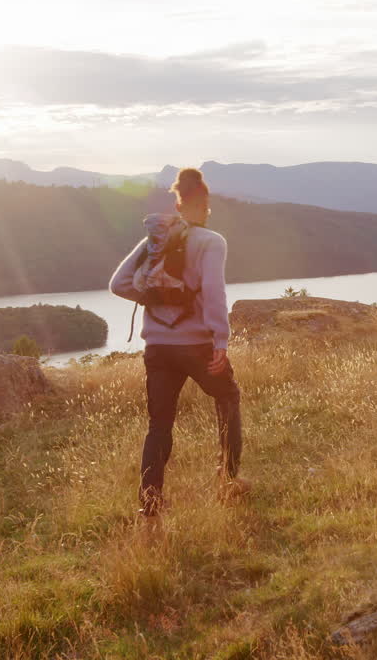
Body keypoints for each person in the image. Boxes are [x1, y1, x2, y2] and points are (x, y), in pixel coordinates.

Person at [110, 167, 249, 526]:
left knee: (159, 424)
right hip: (197, 345)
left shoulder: (153, 241)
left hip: (157, 347)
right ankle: (228, 479)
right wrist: (220, 340)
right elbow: (215, 293)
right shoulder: (211, 241)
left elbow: (118, 283)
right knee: (228, 397)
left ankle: (150, 502)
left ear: (177, 202)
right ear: (203, 204)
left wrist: (152, 297)